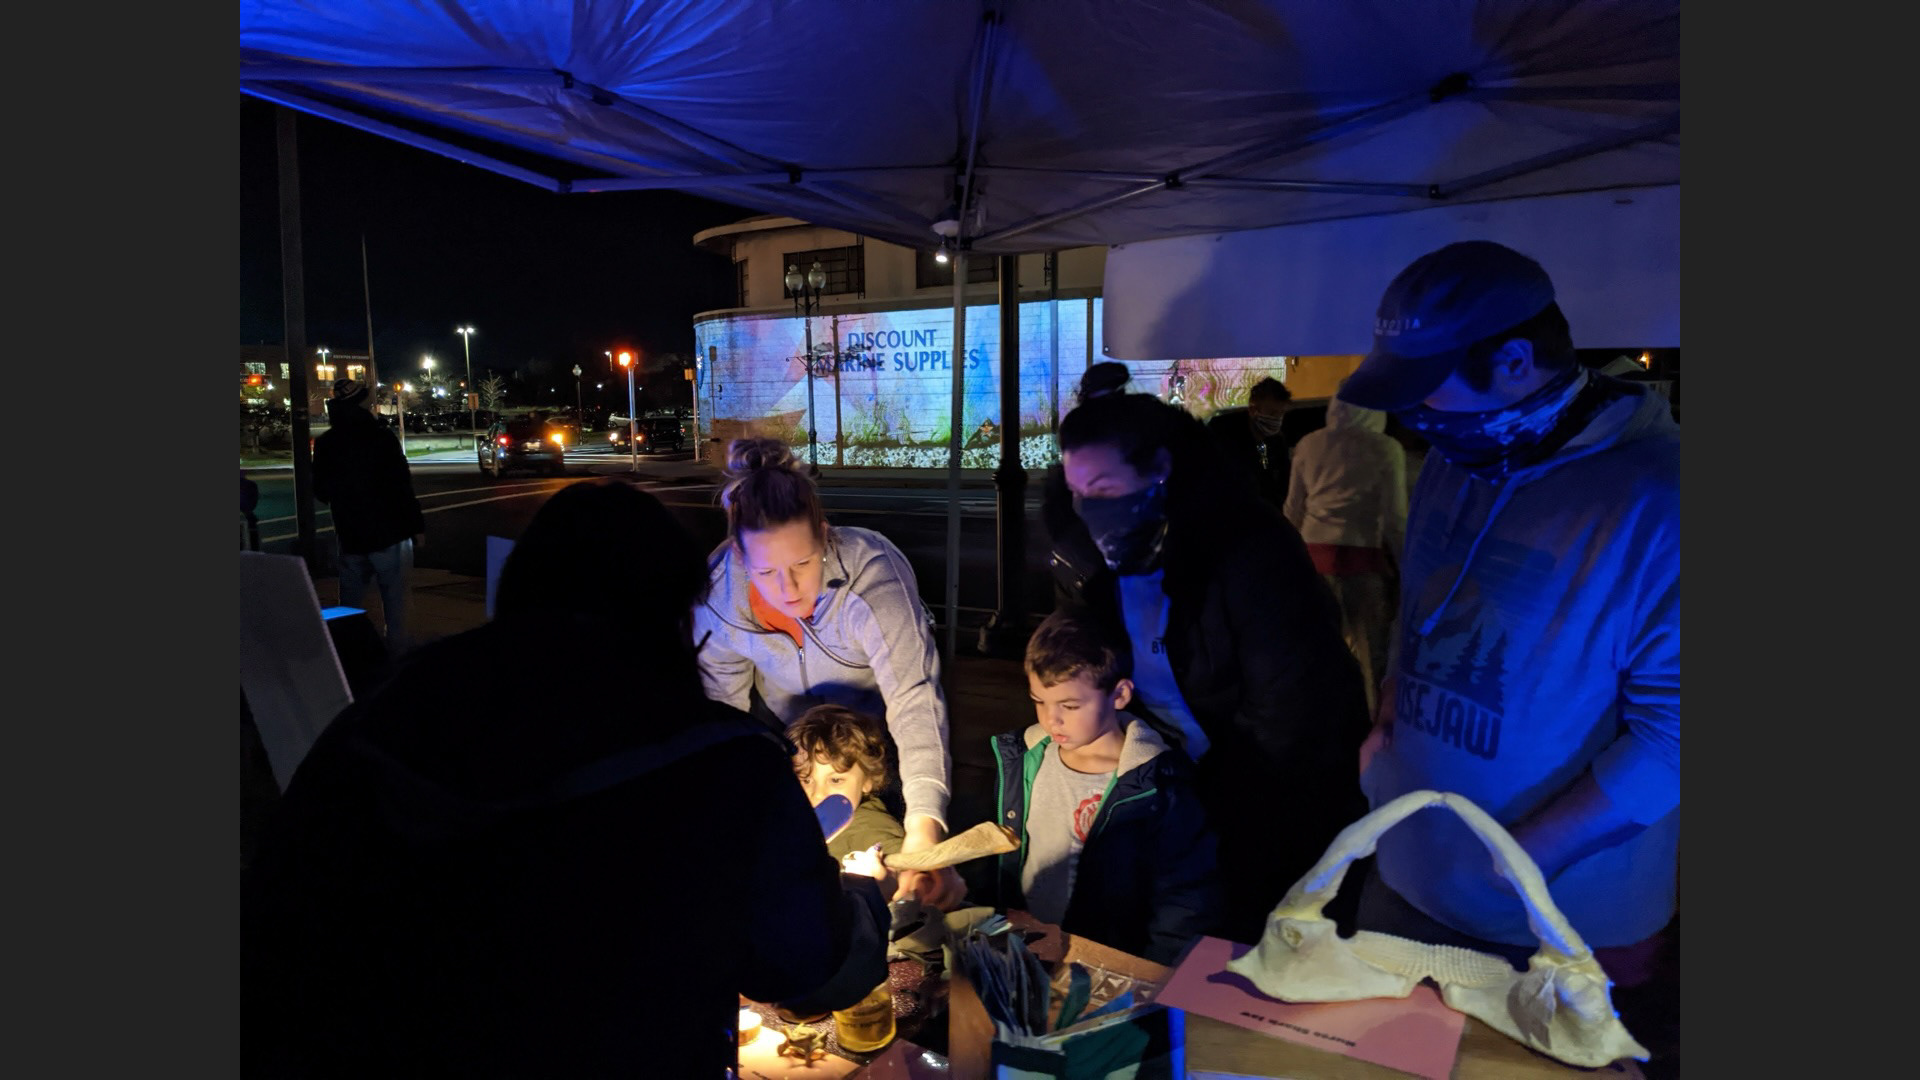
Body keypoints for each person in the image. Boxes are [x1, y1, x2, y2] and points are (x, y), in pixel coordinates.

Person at [241, 479, 891, 1078]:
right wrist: (862, 896)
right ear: (674, 615)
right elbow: (810, 965)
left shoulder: (386, 714)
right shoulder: (717, 754)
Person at [1338, 240, 1679, 1064]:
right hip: (1406, 871)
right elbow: (1419, 608)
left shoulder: (1661, 498)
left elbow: (1677, 733)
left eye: (1429, 391)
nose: (1415, 418)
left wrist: (1528, 854)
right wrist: (1386, 712)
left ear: (1517, 360)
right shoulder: (1465, 460)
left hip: (1559, 921)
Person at [1044, 391, 1371, 944]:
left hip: (1284, 801)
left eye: (1104, 491)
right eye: (1079, 495)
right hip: (1184, 791)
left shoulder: (1248, 549)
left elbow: (1292, 718)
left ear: (1161, 470)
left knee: (1262, 949)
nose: (1090, 511)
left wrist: (1205, 807)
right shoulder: (1092, 558)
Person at [692, 437, 966, 909]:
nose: (788, 588)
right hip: (789, 741)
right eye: (766, 572)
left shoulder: (872, 573)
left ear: (824, 534)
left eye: (802, 563)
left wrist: (926, 831)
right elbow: (724, 722)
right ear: (740, 558)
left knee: (905, 869)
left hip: (879, 744)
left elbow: (914, 697)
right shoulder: (718, 595)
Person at [988, 607, 1220, 964]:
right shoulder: (1023, 760)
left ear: (1120, 694)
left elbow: (1184, 900)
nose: (1052, 719)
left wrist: (1153, 980)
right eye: (1039, 702)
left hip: (1108, 967)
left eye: (1070, 704)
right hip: (1026, 957)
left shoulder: (1159, 786)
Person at [1282, 392, 1408, 715]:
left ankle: (1316, 722)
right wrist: (1407, 566)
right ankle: (1368, 726)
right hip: (1363, 563)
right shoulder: (1386, 449)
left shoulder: (1309, 445)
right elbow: (1395, 520)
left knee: (1315, 650)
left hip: (1313, 562)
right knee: (1370, 657)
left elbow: (1293, 510)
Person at [312, 377, 426, 657]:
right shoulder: (380, 437)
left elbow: (321, 490)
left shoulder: (328, 442)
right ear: (361, 401)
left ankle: (349, 652)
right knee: (395, 598)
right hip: (390, 529)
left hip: (350, 532)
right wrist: (416, 526)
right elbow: (401, 485)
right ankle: (397, 653)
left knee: (349, 599)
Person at [788, 704, 907, 862]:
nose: (817, 794)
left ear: (867, 780)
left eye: (836, 780)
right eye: (806, 780)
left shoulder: (869, 826)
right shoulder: (795, 818)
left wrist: (887, 876)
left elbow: (905, 864)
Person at [1205, 376, 1295, 507]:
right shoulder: (1223, 432)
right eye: (1272, 413)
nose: (1277, 419)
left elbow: (1282, 484)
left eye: (1281, 414)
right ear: (1253, 410)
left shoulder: (1277, 441)